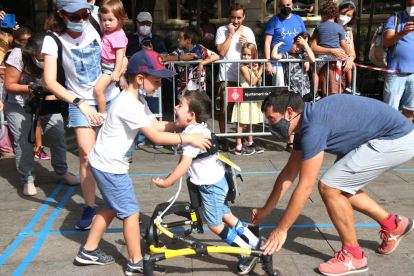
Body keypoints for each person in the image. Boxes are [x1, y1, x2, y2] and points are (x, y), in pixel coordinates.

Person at [74, 50, 211, 275]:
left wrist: (182, 126)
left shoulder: (137, 99)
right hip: (111, 167)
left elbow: (156, 125)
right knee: (131, 213)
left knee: (111, 207)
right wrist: (189, 137)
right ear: (140, 78)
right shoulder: (129, 103)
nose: (159, 85)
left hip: (104, 162)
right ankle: (136, 262)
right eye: (156, 80)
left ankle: (88, 250)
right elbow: (155, 137)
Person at [251, 91, 414, 276]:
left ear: (289, 112)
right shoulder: (305, 121)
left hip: (396, 137)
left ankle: (354, 256)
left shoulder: (314, 127)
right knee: (339, 185)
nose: (270, 125)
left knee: (330, 187)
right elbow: (289, 172)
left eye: (272, 119)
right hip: (390, 134)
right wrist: (267, 208)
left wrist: (282, 230)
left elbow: (305, 187)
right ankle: (394, 225)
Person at [152, 90, 265, 275]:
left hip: (210, 186)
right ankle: (255, 242)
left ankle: (244, 251)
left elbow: (183, 165)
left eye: (180, 105)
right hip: (218, 181)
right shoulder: (197, 128)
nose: (175, 107)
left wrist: (167, 183)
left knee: (213, 223)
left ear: (191, 115)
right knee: (226, 215)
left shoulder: (192, 138)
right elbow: (165, 127)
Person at [43, 0, 121, 230]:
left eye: (84, 15)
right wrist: (80, 103)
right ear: (61, 14)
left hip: (110, 97)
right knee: (86, 155)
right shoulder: (52, 38)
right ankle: (89, 207)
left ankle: (119, 204)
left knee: (114, 156)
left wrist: (120, 67)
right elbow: (49, 81)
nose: (80, 21)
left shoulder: (97, 21)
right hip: (80, 101)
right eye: (73, 16)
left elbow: (119, 43)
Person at [4, 34, 80, 196]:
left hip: (45, 97)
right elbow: (9, 85)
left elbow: (58, 85)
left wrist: (45, 104)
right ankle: (28, 179)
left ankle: (61, 171)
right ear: (31, 54)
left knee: (57, 131)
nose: (45, 61)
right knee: (24, 140)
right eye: (41, 58)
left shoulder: (56, 54)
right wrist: (31, 89)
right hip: (18, 101)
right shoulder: (18, 56)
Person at [215, 3, 256, 151]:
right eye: (233, 17)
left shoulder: (249, 32)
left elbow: (254, 54)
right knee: (225, 110)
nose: (236, 20)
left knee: (244, 110)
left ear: (244, 17)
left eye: (239, 17)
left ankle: (241, 139)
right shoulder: (222, 30)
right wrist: (230, 35)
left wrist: (247, 45)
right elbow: (221, 51)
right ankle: (224, 138)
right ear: (229, 16)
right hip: (227, 76)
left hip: (244, 79)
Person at [125, 11, 168, 149]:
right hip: (134, 80)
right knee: (136, 108)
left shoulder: (157, 39)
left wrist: (152, 51)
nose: (145, 25)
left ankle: (158, 138)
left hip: (151, 79)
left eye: (147, 23)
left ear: (151, 24)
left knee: (154, 107)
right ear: (137, 23)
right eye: (142, 23)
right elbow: (122, 56)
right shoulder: (129, 38)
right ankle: (140, 137)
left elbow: (165, 56)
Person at [271, 32, 315, 152]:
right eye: (297, 45)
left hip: (304, 90)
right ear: (293, 41)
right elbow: (274, 56)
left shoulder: (303, 55)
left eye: (301, 47)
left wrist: (305, 45)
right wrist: (277, 45)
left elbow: (312, 59)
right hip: (292, 91)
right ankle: (290, 141)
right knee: (292, 115)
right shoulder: (285, 54)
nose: (298, 49)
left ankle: (303, 139)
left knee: (304, 115)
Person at [163, 26, 219, 101]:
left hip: (198, 90)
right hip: (183, 91)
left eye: (180, 37)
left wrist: (202, 63)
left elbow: (216, 56)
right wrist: (181, 57)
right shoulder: (179, 51)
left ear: (189, 40)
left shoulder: (200, 49)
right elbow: (165, 58)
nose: (178, 39)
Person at [0, 28, 32, 159]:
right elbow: (2, 72)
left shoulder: (34, 53)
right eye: (22, 41)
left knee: (23, 129)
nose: (25, 44)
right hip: (10, 94)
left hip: (26, 97)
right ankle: (6, 147)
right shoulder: (11, 54)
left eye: (29, 41)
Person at [93, 0, 128, 114]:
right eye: (104, 20)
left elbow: (120, 55)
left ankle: (102, 113)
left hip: (110, 67)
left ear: (119, 19)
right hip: (106, 65)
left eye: (110, 20)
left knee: (98, 90)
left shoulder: (117, 34)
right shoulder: (109, 31)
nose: (107, 23)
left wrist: (117, 72)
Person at [230, 43, 265, 155]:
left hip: (252, 97)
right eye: (244, 54)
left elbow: (260, 81)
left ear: (253, 55)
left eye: (249, 55)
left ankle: (250, 143)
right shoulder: (243, 67)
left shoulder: (252, 67)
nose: (246, 57)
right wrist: (260, 70)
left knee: (251, 122)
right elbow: (252, 82)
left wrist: (256, 71)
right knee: (241, 123)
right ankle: (239, 146)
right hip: (244, 97)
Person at [382, 0, 414, 121]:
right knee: (390, 110)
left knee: (409, 110)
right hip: (396, 72)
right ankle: (388, 136)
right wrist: (403, 32)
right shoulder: (396, 17)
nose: (411, 7)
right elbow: (387, 41)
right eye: (409, 4)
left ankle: (405, 137)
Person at [264, 0, 307, 87]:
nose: (286, 7)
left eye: (288, 5)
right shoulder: (273, 21)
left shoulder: (298, 19)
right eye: (283, 6)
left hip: (297, 63)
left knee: (297, 93)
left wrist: (307, 60)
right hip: (279, 63)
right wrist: (268, 63)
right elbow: (267, 43)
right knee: (280, 92)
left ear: (292, 5)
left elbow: (305, 40)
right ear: (279, 6)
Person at [311, 0, 350, 95]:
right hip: (337, 55)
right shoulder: (340, 27)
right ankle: (351, 84)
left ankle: (315, 92)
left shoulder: (319, 26)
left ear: (323, 15)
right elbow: (343, 44)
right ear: (335, 15)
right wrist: (348, 54)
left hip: (322, 56)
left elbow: (312, 39)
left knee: (315, 71)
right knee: (350, 65)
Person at [335, 1, 359, 94]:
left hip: (345, 67)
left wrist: (350, 59)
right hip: (333, 66)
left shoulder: (349, 31)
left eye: (349, 15)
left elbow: (352, 53)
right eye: (343, 13)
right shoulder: (329, 27)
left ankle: (351, 85)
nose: (345, 17)